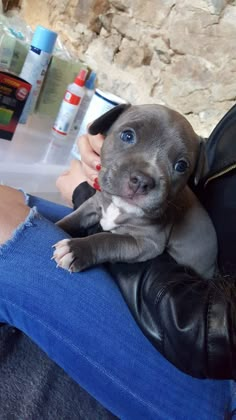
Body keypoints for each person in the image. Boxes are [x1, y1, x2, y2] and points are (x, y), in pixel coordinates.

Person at [0, 103, 236, 419]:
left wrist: (89, 246)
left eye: (179, 166)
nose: (142, 176)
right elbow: (100, 205)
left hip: (191, 322)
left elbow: (148, 243)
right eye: (127, 135)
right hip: (169, 294)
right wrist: (65, 217)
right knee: (7, 201)